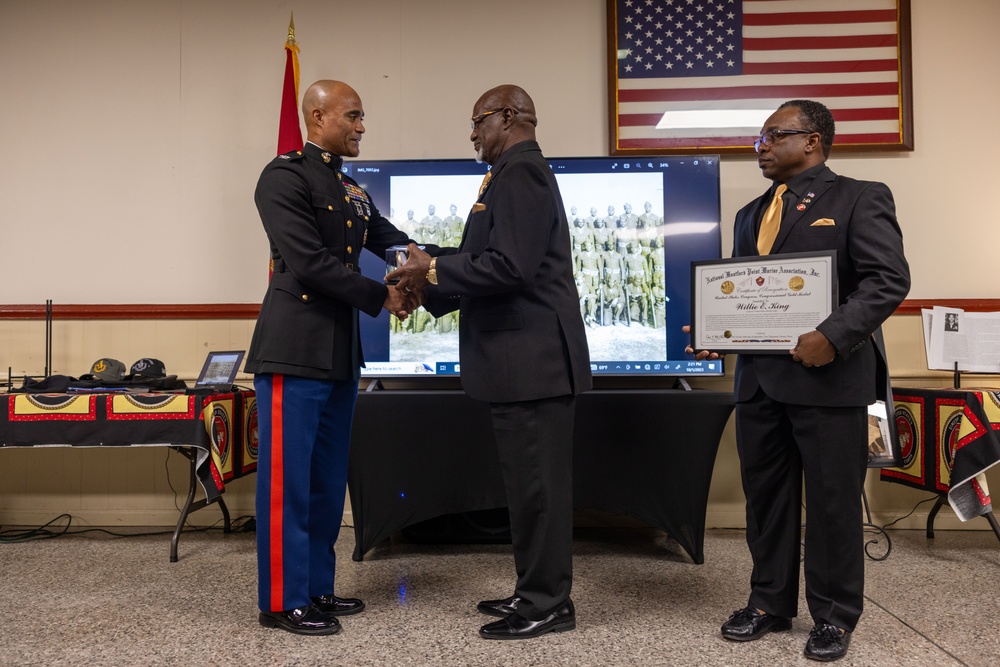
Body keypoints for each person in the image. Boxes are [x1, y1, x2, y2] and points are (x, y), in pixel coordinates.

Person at [688, 100, 909, 661]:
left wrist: (831, 335)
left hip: (830, 382)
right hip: (760, 382)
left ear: (811, 141)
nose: (759, 145)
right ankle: (769, 602)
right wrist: (720, 330)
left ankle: (834, 617)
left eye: (772, 136)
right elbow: (744, 288)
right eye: (760, 137)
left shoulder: (860, 196)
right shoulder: (749, 213)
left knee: (833, 505)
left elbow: (887, 280)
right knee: (766, 500)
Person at [386, 84, 592, 640]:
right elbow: (487, 263)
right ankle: (533, 590)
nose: (472, 133)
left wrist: (430, 272)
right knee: (526, 489)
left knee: (540, 492)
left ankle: (549, 604)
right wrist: (426, 278)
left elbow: (512, 267)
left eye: (478, 121)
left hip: (534, 364)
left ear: (508, 117)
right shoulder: (507, 174)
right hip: (519, 364)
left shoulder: (521, 171)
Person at [247, 79, 426, 636]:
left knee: (326, 480)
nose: (362, 126)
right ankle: (281, 600)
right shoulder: (283, 177)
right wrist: (383, 295)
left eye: (362, 116)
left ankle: (316, 588)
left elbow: (392, 239)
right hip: (294, 350)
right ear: (317, 116)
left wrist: (438, 264)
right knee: (288, 483)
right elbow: (308, 262)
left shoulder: (350, 191)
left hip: (339, 353)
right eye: (353, 116)